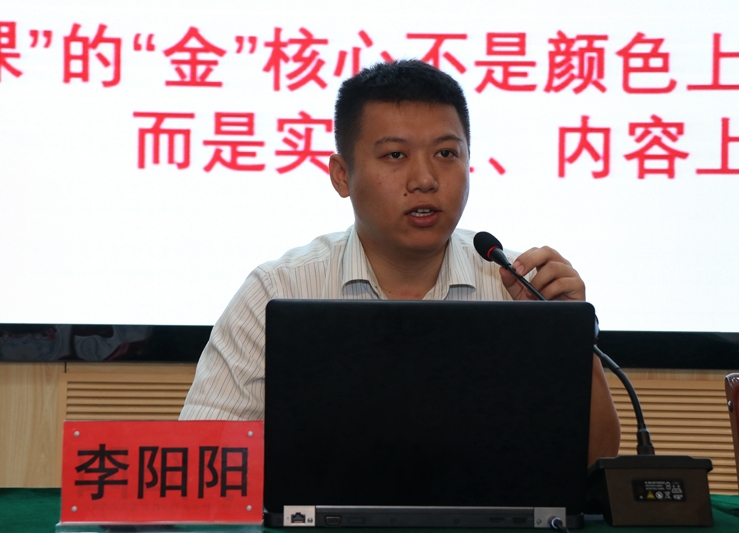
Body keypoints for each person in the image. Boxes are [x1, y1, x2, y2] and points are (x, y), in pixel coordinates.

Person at [180, 59, 620, 464]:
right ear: (341, 175)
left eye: (446, 154)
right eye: (395, 155)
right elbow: (203, 459)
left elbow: (593, 465)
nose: (425, 179)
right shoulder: (277, 290)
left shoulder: (522, 287)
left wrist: (568, 331)